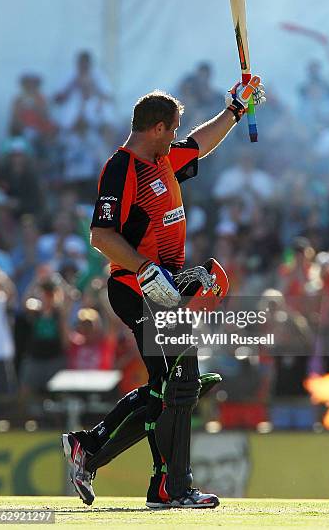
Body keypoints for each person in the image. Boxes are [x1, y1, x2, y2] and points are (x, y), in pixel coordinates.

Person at [61, 77, 265, 509]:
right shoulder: (123, 168)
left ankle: (95, 451)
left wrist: (235, 109)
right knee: (181, 381)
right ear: (155, 127)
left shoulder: (163, 159)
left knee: (165, 386)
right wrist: (145, 267)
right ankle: (173, 485)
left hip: (164, 288)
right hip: (138, 287)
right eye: (171, 128)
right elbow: (101, 235)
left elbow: (198, 144)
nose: (175, 137)